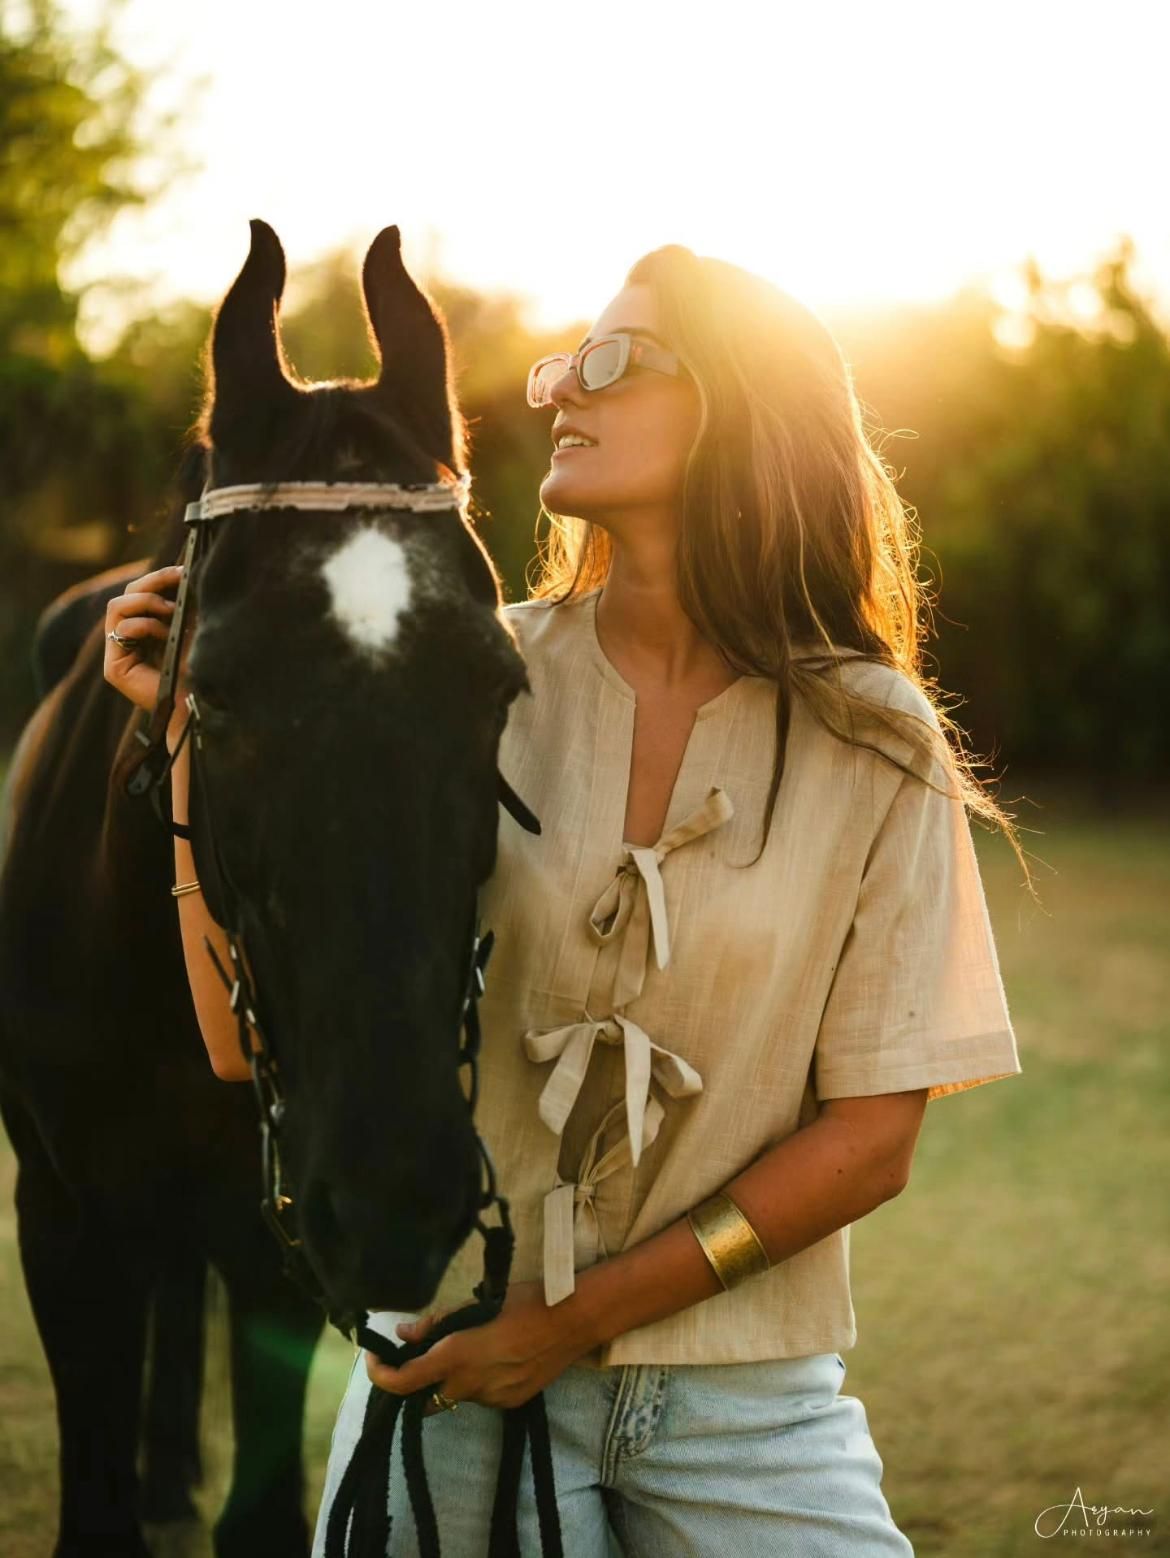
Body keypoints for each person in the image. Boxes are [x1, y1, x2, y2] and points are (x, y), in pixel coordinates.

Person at [104, 242, 1027, 1557]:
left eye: (609, 362)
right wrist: (203, 735)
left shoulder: (874, 738)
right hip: (455, 1374)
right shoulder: (461, 679)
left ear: (742, 405)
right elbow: (233, 1038)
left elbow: (871, 1135)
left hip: (747, 1406)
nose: (554, 394)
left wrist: (573, 1320)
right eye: (555, 365)